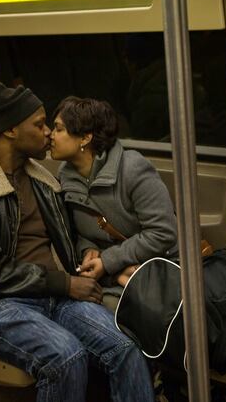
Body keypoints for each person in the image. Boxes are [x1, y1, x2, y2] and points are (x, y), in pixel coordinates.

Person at [0, 83, 154, 402]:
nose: (48, 132)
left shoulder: (44, 182)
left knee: (125, 348)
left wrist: (97, 261)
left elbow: (68, 239)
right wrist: (63, 283)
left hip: (56, 295)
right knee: (66, 358)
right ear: (11, 130)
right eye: (39, 125)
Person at [50, 96, 176, 312]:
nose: (50, 135)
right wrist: (88, 249)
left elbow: (162, 232)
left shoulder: (132, 169)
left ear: (85, 138)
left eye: (58, 129)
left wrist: (107, 261)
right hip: (112, 274)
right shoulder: (65, 176)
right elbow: (77, 232)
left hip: (156, 266)